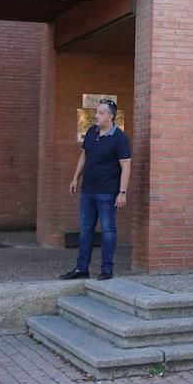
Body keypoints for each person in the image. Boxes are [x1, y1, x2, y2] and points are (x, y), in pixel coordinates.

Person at [61, 98, 131, 281]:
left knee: (108, 230)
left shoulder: (120, 138)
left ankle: (106, 269)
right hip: (88, 191)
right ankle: (81, 268)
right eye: (96, 112)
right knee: (85, 230)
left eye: (100, 113)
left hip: (107, 192)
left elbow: (126, 166)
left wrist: (122, 192)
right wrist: (75, 178)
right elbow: (84, 155)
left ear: (110, 116)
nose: (96, 116)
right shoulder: (92, 132)